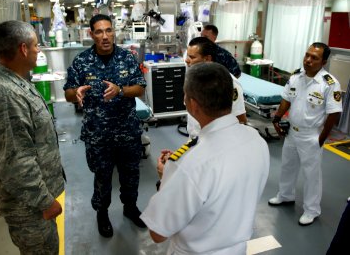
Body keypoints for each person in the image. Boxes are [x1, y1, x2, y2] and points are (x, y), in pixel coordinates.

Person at [140, 63, 270, 254]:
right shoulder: (255, 139)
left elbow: (158, 233)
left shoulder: (188, 164)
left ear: (192, 104)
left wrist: (166, 179)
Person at [0, 20, 65, 254]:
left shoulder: (16, 82)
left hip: (34, 203)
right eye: (36, 45)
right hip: (30, 208)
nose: (39, 50)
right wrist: (45, 203)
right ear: (24, 49)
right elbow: (17, 161)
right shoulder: (6, 95)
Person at [63, 14, 147, 238]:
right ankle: (102, 213)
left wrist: (121, 90)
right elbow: (68, 93)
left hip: (127, 132)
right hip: (98, 135)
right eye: (99, 32)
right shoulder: (82, 61)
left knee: (131, 174)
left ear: (114, 32)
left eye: (109, 30)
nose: (105, 36)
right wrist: (76, 93)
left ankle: (130, 208)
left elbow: (140, 88)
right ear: (91, 34)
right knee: (102, 177)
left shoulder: (127, 58)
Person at [268, 42, 343, 226]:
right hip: (292, 132)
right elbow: (286, 99)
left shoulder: (329, 84)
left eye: (314, 57)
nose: (308, 60)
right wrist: (276, 119)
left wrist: (321, 139)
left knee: (311, 175)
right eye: (307, 55)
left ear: (323, 61)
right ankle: (285, 195)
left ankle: (311, 210)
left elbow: (334, 114)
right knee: (287, 166)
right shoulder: (296, 77)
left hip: (312, 135)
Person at [185, 37, 247, 135]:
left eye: (192, 57)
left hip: (218, 142)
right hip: (195, 139)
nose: (186, 60)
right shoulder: (193, 80)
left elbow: (241, 119)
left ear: (207, 59)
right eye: (187, 56)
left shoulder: (228, 83)